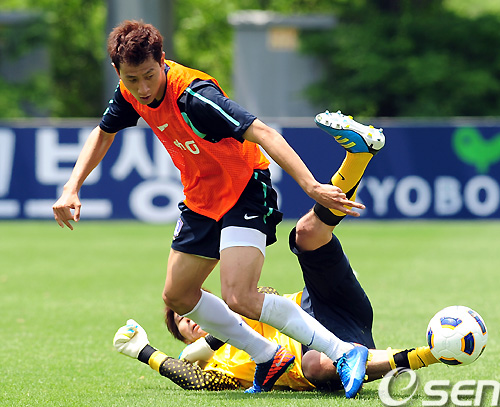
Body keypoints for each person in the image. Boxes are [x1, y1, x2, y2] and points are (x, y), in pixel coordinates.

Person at [53, 20, 382, 397]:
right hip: (201, 198)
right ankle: (268, 356)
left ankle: (342, 351)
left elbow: (264, 132)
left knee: (240, 296)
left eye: (149, 76)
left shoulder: (195, 96)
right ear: (118, 71)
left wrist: (311, 186)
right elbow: (104, 132)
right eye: (132, 79)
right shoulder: (129, 93)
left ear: (162, 60)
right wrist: (71, 186)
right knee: (178, 296)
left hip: (245, 190)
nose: (143, 88)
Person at [112, 110, 438, 391]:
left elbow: (265, 292)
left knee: (306, 233)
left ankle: (358, 155)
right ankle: (434, 353)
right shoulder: (216, 367)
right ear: (183, 339)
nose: (191, 321)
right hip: (317, 354)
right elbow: (195, 381)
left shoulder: (236, 314)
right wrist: (143, 350)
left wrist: (212, 339)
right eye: (183, 322)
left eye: (190, 313)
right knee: (318, 366)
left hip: (320, 300)